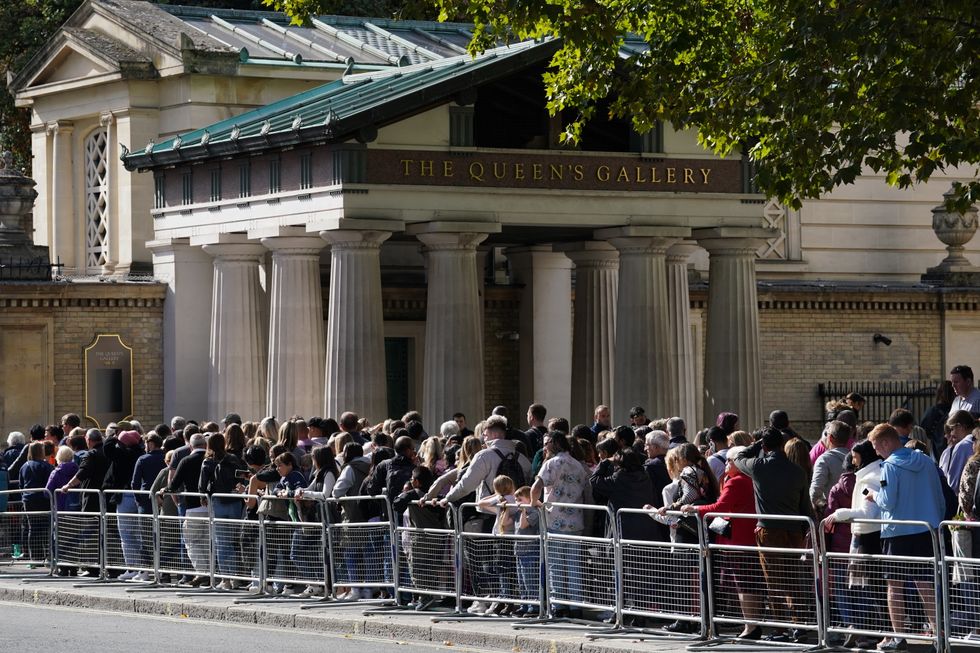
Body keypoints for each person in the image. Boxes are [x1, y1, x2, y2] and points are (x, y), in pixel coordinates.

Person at [865, 424, 944, 652]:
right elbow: (939, 497)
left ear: (887, 442)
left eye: (876, 446)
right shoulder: (927, 462)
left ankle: (898, 638)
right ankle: (938, 636)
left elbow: (888, 501)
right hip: (926, 529)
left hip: (897, 532)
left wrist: (873, 495)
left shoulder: (889, 466)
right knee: (925, 585)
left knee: (894, 586)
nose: (876, 451)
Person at [734, 426, 813, 642]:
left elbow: (739, 457)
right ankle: (799, 624)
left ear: (764, 446)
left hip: (769, 530)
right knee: (793, 578)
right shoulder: (797, 471)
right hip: (794, 530)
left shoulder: (759, 467)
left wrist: (755, 445)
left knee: (774, 580)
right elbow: (806, 506)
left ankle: (780, 629)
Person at [682, 446, 762, 639]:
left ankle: (750, 627)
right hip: (748, 538)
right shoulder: (751, 479)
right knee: (750, 584)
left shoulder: (737, 482)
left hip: (738, 540)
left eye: (729, 461)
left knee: (744, 585)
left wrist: (695, 509)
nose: (725, 464)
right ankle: (752, 624)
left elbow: (720, 506)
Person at [824, 440, 885, 646]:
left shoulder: (869, 480)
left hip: (869, 536)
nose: (852, 459)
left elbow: (868, 513)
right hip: (866, 536)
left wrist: (839, 514)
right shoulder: (867, 476)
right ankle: (877, 633)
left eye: (855, 455)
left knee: (875, 588)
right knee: (872, 588)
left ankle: (879, 633)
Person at [531, 430, 589, 619]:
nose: (545, 447)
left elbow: (536, 487)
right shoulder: (579, 465)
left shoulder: (552, 463)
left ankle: (559, 605)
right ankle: (575, 605)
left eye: (547, 443)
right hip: (576, 520)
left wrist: (535, 503)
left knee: (556, 565)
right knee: (574, 565)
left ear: (555, 444)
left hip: (554, 519)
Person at [199, 432, 248, 587]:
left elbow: (202, 485)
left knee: (222, 542)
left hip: (218, 501)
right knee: (234, 541)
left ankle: (226, 579)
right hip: (234, 502)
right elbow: (242, 477)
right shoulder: (234, 459)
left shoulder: (208, 462)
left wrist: (204, 496)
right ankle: (236, 577)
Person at [18, 441, 53, 562]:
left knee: (32, 528)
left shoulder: (24, 466)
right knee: (45, 528)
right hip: (43, 499)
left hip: (28, 500)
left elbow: (21, 484)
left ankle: (35, 556)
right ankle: (47, 554)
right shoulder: (46, 466)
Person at [810, 421, 852, 517]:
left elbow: (815, 491)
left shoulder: (824, 459)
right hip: (852, 514)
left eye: (826, 433)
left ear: (831, 438)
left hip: (831, 515)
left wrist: (819, 509)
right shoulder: (854, 458)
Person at [941, 410, 976, 493]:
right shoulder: (976, 441)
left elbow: (953, 483)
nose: (951, 434)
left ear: (960, 426)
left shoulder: (962, 446)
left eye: (952, 429)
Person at [921, 380, 955, 458]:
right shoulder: (956, 409)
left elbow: (924, 428)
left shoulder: (933, 410)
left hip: (936, 447)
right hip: (953, 445)